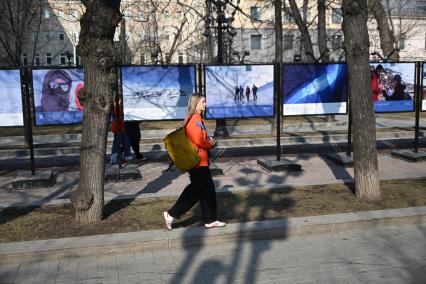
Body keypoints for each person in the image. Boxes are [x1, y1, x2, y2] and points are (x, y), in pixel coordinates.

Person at [163, 93, 226, 230]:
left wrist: (208, 141)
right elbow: (199, 140)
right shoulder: (195, 119)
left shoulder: (196, 118)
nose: (205, 104)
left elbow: (198, 138)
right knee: (195, 190)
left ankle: (210, 219)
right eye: (203, 101)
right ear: (196, 103)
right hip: (197, 162)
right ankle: (171, 214)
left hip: (200, 160)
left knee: (208, 190)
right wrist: (211, 144)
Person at [110, 97, 133, 164]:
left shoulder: (120, 107)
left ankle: (127, 155)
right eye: (119, 100)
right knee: (117, 143)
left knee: (127, 141)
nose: (120, 101)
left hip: (122, 127)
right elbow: (117, 114)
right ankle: (113, 158)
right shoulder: (115, 107)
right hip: (117, 128)